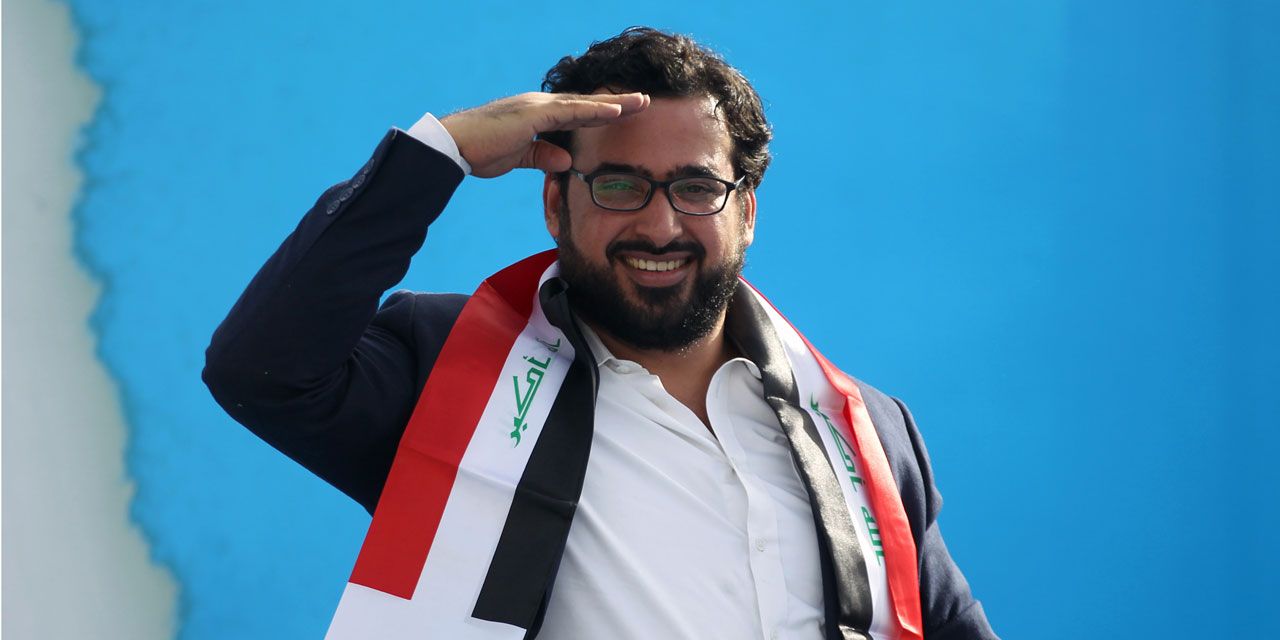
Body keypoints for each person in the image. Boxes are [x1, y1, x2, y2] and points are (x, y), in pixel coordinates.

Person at [203, 27, 997, 640]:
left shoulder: (866, 431)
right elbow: (260, 370)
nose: (661, 225)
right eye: (619, 186)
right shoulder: (446, 369)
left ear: (746, 211)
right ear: (556, 204)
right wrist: (439, 153)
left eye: (697, 187)